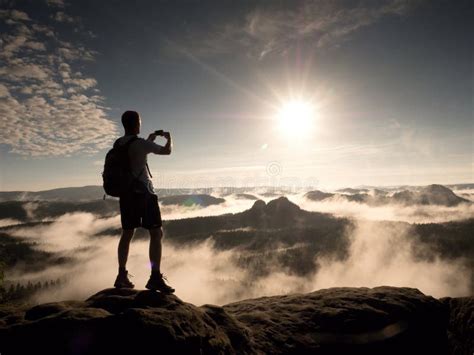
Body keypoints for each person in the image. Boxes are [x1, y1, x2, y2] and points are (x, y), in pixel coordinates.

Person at [113, 110, 175, 293]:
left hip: (126, 194)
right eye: (139, 121)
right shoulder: (140, 144)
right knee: (156, 234)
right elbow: (167, 151)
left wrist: (149, 140)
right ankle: (155, 277)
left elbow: (136, 154)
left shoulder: (118, 143)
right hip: (144, 193)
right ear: (136, 123)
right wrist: (169, 138)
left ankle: (121, 275)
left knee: (127, 234)